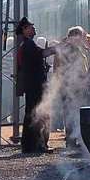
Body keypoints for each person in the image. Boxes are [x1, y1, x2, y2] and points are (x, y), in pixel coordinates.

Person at [16, 17, 56, 154]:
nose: (34, 29)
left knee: (32, 114)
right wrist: (58, 48)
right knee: (36, 114)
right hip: (35, 85)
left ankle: (30, 145)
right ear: (24, 30)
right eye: (31, 27)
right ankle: (36, 144)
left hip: (32, 84)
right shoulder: (28, 45)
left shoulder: (27, 44)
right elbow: (42, 53)